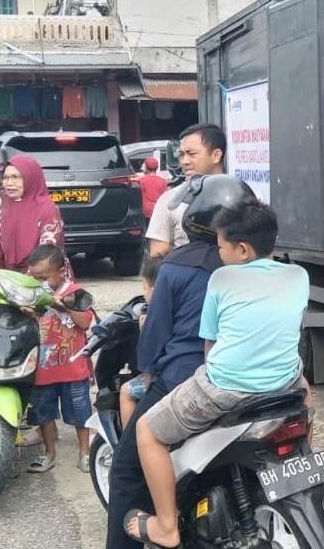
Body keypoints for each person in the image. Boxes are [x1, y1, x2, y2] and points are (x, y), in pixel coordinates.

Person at [124, 200, 309, 547]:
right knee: (306, 396)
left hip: (227, 388)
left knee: (148, 431)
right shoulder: (298, 275)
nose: (218, 254)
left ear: (242, 249)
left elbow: (209, 348)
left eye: (221, 247)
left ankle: (166, 526)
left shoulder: (222, 278)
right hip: (285, 383)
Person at [105, 175, 255, 549]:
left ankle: (159, 530)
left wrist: (145, 363)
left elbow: (153, 343)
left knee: (126, 469)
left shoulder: (176, 265)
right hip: (260, 377)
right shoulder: (255, 261)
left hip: (186, 379)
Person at [25, 245, 95, 473]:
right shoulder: (32, 293)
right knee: (43, 414)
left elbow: (85, 323)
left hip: (73, 369)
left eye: (44, 277)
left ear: (61, 272)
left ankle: (85, 453)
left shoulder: (76, 292)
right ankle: (49, 453)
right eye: (35, 278)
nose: (40, 282)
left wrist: (61, 304)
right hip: (43, 369)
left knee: (80, 413)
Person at [146, 124, 227, 257]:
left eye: (191, 154)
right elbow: (157, 256)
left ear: (216, 155)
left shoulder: (241, 196)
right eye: (182, 155)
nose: (184, 161)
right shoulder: (170, 200)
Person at [0, 155, 70, 276]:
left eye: (15, 177)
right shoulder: (6, 208)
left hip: (43, 279)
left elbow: (47, 256)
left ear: (31, 178)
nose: (9, 183)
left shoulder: (47, 209)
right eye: (5, 178)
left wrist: (21, 282)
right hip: (10, 280)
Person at [119, 255, 162, 429]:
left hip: (162, 377)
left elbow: (147, 357)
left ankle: (131, 443)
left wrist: (143, 328)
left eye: (144, 287)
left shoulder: (153, 315)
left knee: (126, 391)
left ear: (153, 289)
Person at [139, 157, 167, 226]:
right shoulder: (163, 181)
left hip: (146, 213)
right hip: (158, 211)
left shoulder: (141, 181)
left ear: (146, 167)